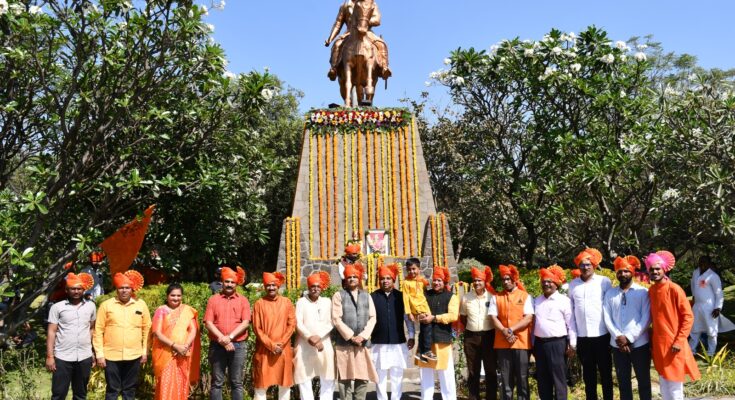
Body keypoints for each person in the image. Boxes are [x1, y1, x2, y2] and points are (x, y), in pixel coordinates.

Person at [646, 251, 700, 400]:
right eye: (652, 269)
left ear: (664, 269)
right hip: (658, 344)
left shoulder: (675, 289)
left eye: (658, 268)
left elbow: (688, 317)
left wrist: (679, 340)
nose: (655, 271)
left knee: (675, 384)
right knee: (663, 381)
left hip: (674, 343)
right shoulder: (651, 290)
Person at [93, 271, 150, 400]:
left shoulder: (141, 304)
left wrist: (144, 351)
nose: (124, 291)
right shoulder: (106, 305)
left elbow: (147, 329)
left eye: (127, 288)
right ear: (116, 289)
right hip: (111, 356)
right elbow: (98, 330)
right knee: (112, 389)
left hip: (134, 355)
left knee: (129, 390)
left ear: (132, 289)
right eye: (121, 288)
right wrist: (100, 354)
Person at [602, 256, 652, 400]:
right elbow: (607, 317)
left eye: (626, 271)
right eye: (619, 271)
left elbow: (646, 318)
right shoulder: (610, 294)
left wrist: (629, 338)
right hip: (617, 345)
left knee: (643, 381)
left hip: (640, 344)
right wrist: (619, 337)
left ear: (632, 272)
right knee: (623, 382)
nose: (622, 274)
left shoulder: (642, 292)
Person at [568, 248, 613, 400]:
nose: (585, 267)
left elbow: (610, 307)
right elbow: (572, 314)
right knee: (589, 376)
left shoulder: (604, 282)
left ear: (594, 265)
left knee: (606, 374)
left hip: (602, 336)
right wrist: (573, 340)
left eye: (588, 264)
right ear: (578, 266)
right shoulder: (573, 285)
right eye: (582, 265)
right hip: (583, 338)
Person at [46, 272, 96, 400]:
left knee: (80, 394)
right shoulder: (57, 307)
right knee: (59, 394)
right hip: (63, 357)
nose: (76, 291)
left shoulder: (91, 306)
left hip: (84, 357)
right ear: (67, 290)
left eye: (79, 289)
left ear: (83, 290)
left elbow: (91, 329)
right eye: (73, 289)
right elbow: (51, 332)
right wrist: (50, 356)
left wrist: (92, 352)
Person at [332, 263, 378, 400]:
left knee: (362, 377)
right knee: (344, 377)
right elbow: (336, 318)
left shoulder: (366, 296)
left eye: (354, 277)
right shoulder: (338, 295)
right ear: (345, 279)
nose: (352, 279)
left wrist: (363, 336)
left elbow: (373, 317)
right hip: (344, 344)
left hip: (362, 344)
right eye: (349, 277)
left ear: (359, 279)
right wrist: (351, 337)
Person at [204, 266, 250, 400]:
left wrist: (229, 338)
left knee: (236, 382)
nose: (229, 284)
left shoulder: (243, 300)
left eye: (232, 282)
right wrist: (222, 339)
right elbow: (208, 322)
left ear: (236, 284)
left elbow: (245, 322)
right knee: (216, 383)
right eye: (227, 281)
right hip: (217, 345)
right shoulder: (214, 299)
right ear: (222, 282)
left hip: (238, 346)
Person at [370, 264, 415, 400]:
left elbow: (407, 318)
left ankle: (396, 398)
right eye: (383, 278)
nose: (385, 281)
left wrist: (411, 336)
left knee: (397, 374)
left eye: (388, 278)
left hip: (398, 342)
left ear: (393, 279)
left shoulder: (401, 296)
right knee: (380, 375)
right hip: (379, 342)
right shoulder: (372, 297)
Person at [489, 265, 533, 400]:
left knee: (522, 377)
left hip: (521, 342)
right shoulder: (496, 297)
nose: (506, 282)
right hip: (502, 344)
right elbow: (492, 317)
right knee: (505, 378)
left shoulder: (525, 296)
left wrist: (511, 330)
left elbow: (529, 318)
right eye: (503, 279)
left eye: (508, 279)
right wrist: (504, 331)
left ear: (514, 279)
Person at [150, 283, 201, 400]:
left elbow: (193, 330)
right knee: (165, 383)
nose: (176, 298)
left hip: (183, 353)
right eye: (173, 295)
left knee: (181, 381)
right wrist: (175, 346)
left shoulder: (187, 311)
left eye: (179, 295)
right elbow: (157, 333)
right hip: (166, 353)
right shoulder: (161, 311)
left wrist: (185, 346)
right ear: (167, 296)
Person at [416, 266, 459, 400]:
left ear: (445, 282)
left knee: (445, 374)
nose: (436, 283)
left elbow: (453, 316)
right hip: (425, 340)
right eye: (435, 280)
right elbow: (418, 309)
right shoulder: (426, 295)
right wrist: (420, 316)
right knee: (426, 374)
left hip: (442, 340)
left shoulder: (451, 296)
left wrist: (434, 318)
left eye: (439, 280)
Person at [533, 267, 576, 400]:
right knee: (543, 379)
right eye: (544, 281)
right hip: (540, 344)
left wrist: (572, 344)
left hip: (557, 344)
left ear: (556, 283)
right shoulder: (536, 301)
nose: (546, 284)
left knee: (558, 379)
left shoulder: (564, 301)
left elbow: (571, 324)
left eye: (550, 281)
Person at [253, 271, 296, 400]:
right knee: (261, 384)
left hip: (283, 350)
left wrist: (281, 344)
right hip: (264, 350)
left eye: (273, 285)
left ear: (278, 286)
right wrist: (271, 345)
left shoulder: (287, 302)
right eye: (268, 285)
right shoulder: (259, 303)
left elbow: (291, 324)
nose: (271, 288)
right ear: (264, 286)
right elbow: (257, 328)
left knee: (285, 385)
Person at [294, 271, 336, 400]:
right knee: (303, 375)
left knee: (328, 374)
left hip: (324, 342)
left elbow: (331, 322)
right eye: (313, 286)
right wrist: (309, 337)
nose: (315, 288)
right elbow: (298, 322)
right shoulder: (301, 302)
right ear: (308, 287)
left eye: (318, 286)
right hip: (304, 343)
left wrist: (318, 337)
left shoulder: (327, 301)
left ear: (322, 287)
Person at [324, 0, 391, 80]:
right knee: (337, 45)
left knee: (382, 45)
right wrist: (330, 38)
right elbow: (338, 24)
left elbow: (377, 19)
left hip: (367, 31)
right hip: (350, 33)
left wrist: (364, 21)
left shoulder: (371, 2)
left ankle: (384, 68)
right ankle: (333, 69)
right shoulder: (345, 5)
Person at [460, 266, 498, 400]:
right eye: (475, 280)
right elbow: (463, 318)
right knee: (472, 371)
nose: (477, 283)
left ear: (484, 282)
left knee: (490, 370)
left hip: (489, 337)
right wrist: (472, 328)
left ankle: (491, 397)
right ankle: (473, 397)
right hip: (471, 337)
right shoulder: (466, 298)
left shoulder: (492, 297)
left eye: (479, 281)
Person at [400, 257, 435, 361]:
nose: (412, 271)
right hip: (415, 309)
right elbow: (405, 298)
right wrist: (409, 312)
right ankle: (426, 350)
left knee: (426, 329)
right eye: (409, 269)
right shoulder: (406, 283)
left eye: (414, 269)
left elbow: (424, 295)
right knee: (425, 328)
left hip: (424, 307)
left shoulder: (422, 281)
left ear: (419, 269)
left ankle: (421, 351)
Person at [689, 255, 724, 356]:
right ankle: (691, 352)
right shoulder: (696, 272)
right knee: (695, 330)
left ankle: (710, 353)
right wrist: (694, 296)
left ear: (709, 263)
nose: (702, 264)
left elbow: (719, 293)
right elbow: (693, 285)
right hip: (697, 306)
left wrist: (718, 307)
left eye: (704, 262)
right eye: (700, 262)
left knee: (711, 331)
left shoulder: (713, 276)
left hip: (710, 308)